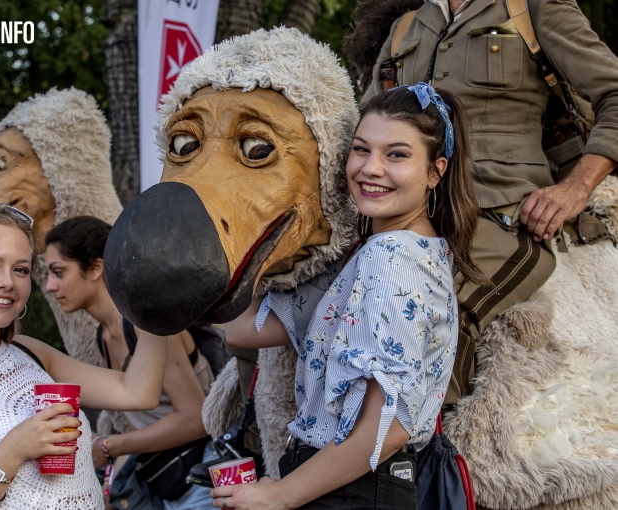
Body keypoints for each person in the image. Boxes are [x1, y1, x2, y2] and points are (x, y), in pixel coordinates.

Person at [211, 84, 486, 509]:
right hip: (345, 483)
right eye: (361, 150)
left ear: (435, 172)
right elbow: (245, 330)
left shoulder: (390, 258)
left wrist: (281, 495)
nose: (370, 168)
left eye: (396, 155)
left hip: (352, 489)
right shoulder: (391, 253)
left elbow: (389, 429)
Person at [355, 0, 618, 405]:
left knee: (433, 317)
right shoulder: (407, 26)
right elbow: (364, 123)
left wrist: (575, 189)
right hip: (407, 213)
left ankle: (425, 453)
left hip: (502, 212)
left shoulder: (533, 9)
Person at [0, 200, 168, 509]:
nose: (7, 282)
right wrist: (10, 454)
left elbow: (137, 392)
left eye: (21, 269)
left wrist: (155, 293)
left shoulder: (31, 353)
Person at [44, 216, 216, 510]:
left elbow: (195, 418)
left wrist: (109, 446)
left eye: (58, 272)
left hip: (198, 479)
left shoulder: (145, 323)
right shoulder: (106, 334)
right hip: (162, 480)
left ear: (96, 267)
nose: (49, 286)